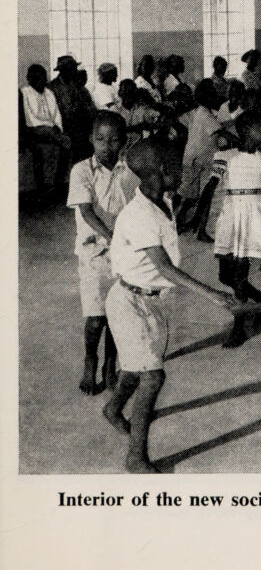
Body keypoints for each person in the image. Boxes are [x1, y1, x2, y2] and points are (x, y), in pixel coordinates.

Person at [103, 140, 239, 472]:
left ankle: (113, 409)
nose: (186, 168)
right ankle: (136, 457)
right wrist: (213, 294)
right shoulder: (140, 214)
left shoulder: (161, 200)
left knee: (138, 367)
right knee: (152, 377)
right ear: (164, 171)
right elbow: (164, 267)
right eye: (179, 164)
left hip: (150, 301)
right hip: (128, 303)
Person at [65, 111, 137, 395]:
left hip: (123, 255)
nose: (107, 146)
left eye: (114, 140)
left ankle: (110, 365)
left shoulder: (129, 171)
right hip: (93, 253)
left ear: (125, 141)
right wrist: (112, 236)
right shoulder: (82, 170)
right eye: (100, 139)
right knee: (96, 319)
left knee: (118, 315)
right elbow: (86, 211)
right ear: (91, 140)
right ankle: (90, 360)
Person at [212, 110, 261, 347]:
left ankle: (238, 328)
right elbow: (211, 186)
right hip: (230, 218)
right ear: (247, 132)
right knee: (225, 275)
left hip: (249, 220)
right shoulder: (226, 157)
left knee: (239, 276)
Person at [20, 63, 71, 200]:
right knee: (55, 138)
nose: (42, 81)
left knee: (64, 143)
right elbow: (26, 117)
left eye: (43, 77)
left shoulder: (49, 93)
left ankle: (58, 183)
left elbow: (56, 114)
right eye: (38, 78)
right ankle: (42, 189)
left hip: (50, 130)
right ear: (30, 79)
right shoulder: (24, 93)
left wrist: (58, 127)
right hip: (32, 129)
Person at [177, 79, 222, 226]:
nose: (217, 98)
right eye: (214, 95)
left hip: (195, 159)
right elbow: (221, 131)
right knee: (189, 195)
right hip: (196, 161)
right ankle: (176, 221)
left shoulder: (199, 112)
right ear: (207, 98)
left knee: (192, 196)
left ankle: (186, 221)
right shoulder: (206, 115)